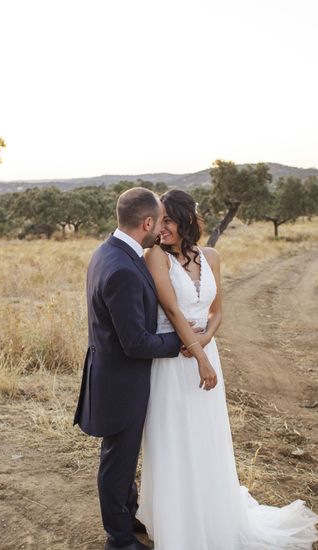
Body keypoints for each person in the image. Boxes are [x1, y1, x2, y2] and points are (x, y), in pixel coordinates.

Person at [137, 189, 318, 549]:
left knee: (207, 437)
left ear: (186, 219)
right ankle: (178, 524)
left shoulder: (212, 256)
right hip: (173, 362)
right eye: (158, 221)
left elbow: (217, 310)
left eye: (168, 220)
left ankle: (213, 516)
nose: (161, 228)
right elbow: (173, 312)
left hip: (203, 352)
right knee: (173, 439)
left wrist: (206, 343)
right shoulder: (154, 256)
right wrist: (198, 353)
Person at [73, 187, 206, 550]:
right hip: (121, 382)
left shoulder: (110, 251)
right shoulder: (122, 268)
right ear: (146, 222)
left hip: (117, 376)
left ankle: (127, 517)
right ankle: (119, 539)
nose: (161, 229)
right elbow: (135, 343)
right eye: (158, 221)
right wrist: (180, 343)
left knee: (124, 458)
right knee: (118, 464)